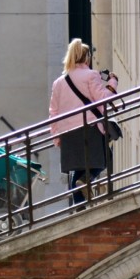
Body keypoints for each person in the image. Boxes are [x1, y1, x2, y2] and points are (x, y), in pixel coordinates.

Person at [48, 38, 119, 205]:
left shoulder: (58, 82)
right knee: (105, 158)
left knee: (77, 169)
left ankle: (79, 206)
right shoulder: (91, 75)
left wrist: (56, 136)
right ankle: (87, 180)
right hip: (90, 128)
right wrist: (112, 81)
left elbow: (53, 112)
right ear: (86, 58)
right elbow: (103, 98)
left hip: (68, 132)